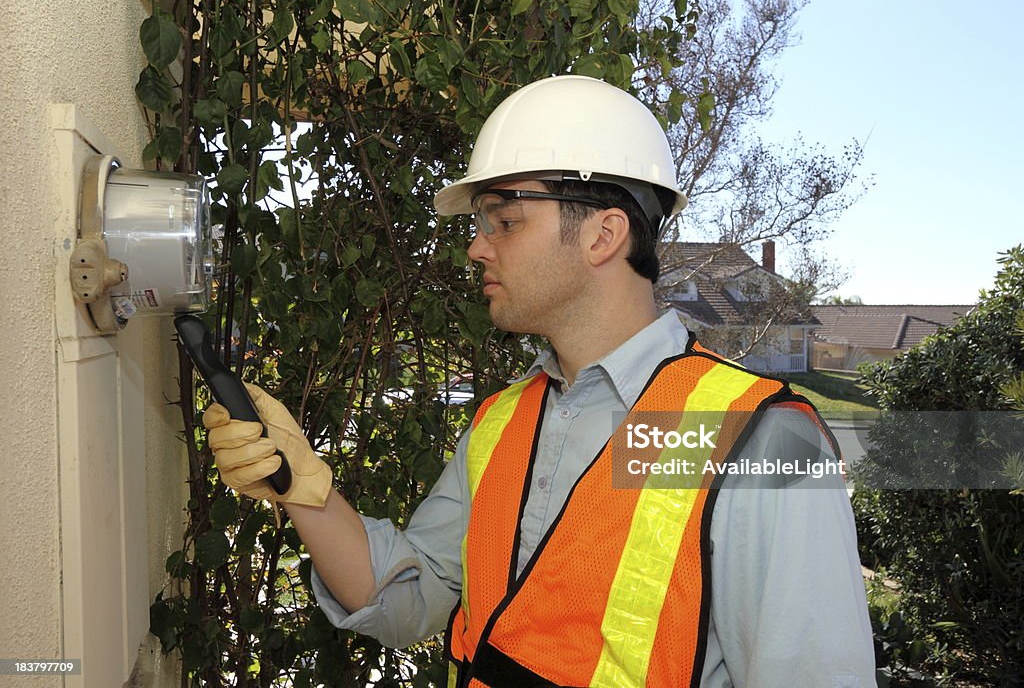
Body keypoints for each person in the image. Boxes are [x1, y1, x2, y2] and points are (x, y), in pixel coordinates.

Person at [204, 75, 876, 687]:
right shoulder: (504, 419)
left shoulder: (759, 436)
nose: (477, 247)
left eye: (504, 219)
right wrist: (301, 486)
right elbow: (410, 602)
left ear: (603, 235)